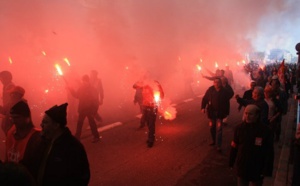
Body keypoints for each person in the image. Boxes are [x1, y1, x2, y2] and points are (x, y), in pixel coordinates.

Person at [38, 103, 90, 186]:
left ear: (56, 125)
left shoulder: (73, 147)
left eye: (45, 122)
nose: (41, 125)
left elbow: (81, 177)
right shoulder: (45, 142)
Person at [229, 104, 274, 186]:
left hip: (257, 167)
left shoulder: (265, 130)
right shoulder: (239, 128)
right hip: (242, 165)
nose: (247, 116)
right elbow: (234, 146)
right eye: (246, 113)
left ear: (257, 115)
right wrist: (231, 162)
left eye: (250, 114)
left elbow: (269, 151)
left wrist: (266, 170)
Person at [201, 78, 233, 152]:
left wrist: (226, 84)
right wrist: (203, 107)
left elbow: (231, 93)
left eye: (218, 82)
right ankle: (214, 141)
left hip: (220, 113)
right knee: (212, 127)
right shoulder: (210, 90)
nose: (216, 84)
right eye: (215, 82)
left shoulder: (224, 91)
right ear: (213, 83)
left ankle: (218, 145)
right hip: (212, 113)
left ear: (221, 83)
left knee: (219, 129)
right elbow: (205, 98)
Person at [69, 75, 100, 143]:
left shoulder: (92, 89)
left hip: (90, 109)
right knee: (79, 123)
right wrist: (71, 89)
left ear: (88, 81)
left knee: (92, 123)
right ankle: (77, 137)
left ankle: (96, 136)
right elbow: (76, 95)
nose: (84, 83)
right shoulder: (81, 88)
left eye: (85, 81)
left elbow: (96, 101)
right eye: (83, 81)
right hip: (82, 109)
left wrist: (94, 111)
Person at [139, 78, 164, 148]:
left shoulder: (156, 84)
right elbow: (134, 86)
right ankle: (150, 137)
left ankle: (151, 140)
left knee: (151, 123)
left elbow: (162, 94)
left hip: (152, 106)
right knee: (147, 122)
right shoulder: (143, 84)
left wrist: (157, 98)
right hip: (145, 106)